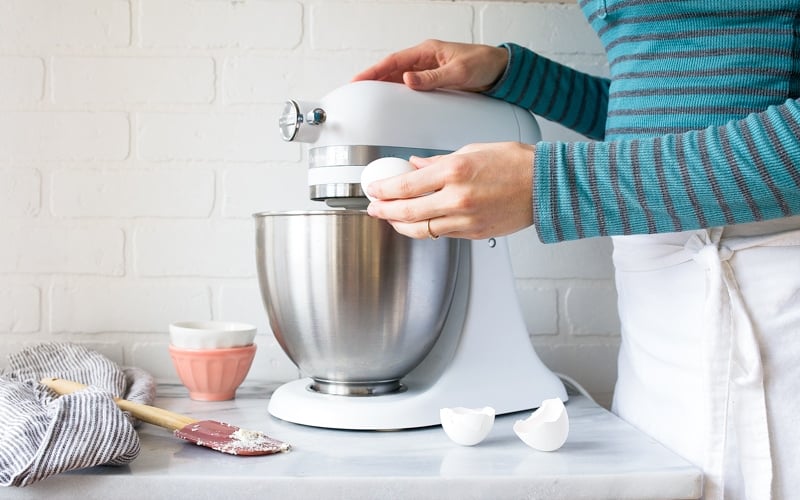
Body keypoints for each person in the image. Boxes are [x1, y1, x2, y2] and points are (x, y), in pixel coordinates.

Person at [352, 3, 800, 500]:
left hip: (768, 294)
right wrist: (516, 75)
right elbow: (669, 108)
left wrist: (558, 184)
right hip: (660, 306)